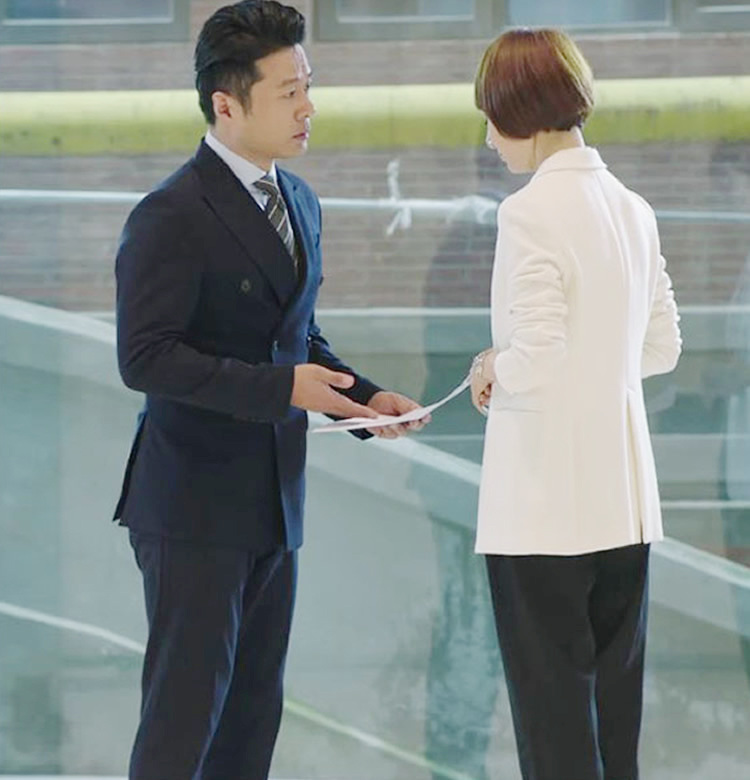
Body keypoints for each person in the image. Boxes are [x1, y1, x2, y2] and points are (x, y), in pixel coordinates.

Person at [112, 2, 425, 778]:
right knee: (183, 725)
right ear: (226, 104)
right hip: (192, 508)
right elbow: (146, 359)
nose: (308, 107)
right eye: (289, 92)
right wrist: (285, 387)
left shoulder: (301, 201)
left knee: (251, 724)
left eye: (307, 86)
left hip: (273, 499)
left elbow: (298, 337)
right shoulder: (170, 214)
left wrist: (366, 401)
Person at [468, 28, 682, 780]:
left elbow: (537, 355)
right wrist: (593, 370)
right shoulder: (634, 209)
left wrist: (491, 367)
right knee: (613, 726)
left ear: (520, 111)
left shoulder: (528, 213)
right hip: (625, 506)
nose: (489, 139)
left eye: (492, 118)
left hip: (542, 510)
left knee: (554, 726)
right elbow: (662, 348)